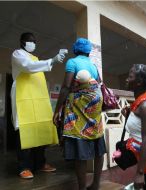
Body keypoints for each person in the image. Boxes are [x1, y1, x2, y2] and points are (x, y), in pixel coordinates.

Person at [53, 38, 106, 190]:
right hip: (96, 104)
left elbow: (65, 87)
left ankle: (82, 188)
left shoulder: (72, 62)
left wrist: (57, 111)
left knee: (79, 143)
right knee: (98, 142)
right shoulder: (93, 65)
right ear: (88, 51)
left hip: (80, 106)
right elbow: (98, 83)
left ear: (75, 50)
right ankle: (96, 184)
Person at [11, 32, 65, 179]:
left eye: (34, 41)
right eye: (30, 41)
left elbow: (35, 67)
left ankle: (40, 164)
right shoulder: (17, 54)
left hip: (38, 100)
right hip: (24, 99)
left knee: (40, 130)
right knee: (24, 131)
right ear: (22, 41)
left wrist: (51, 62)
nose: (32, 43)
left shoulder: (36, 58)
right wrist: (52, 60)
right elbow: (28, 66)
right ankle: (24, 167)